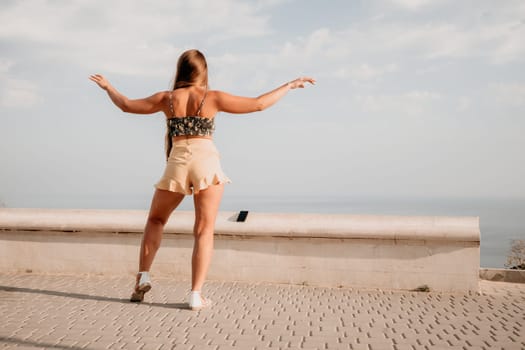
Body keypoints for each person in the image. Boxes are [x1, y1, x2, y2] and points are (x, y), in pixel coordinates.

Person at [89, 49, 315, 310]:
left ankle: (143, 276)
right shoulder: (213, 98)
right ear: (204, 71)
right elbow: (258, 104)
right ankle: (196, 294)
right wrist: (289, 85)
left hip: (178, 162)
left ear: (180, 71)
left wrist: (108, 87)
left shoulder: (166, 98)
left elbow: (127, 105)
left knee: (156, 220)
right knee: (203, 230)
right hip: (206, 162)